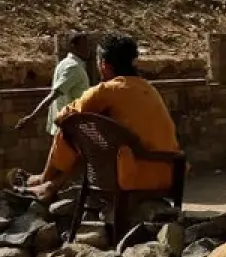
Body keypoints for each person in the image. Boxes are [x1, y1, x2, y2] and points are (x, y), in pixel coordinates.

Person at [25, 33, 179, 200]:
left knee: (71, 129)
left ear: (104, 65)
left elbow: (62, 117)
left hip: (132, 176)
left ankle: (45, 179)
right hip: (170, 172)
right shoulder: (149, 89)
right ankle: (52, 185)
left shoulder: (106, 90)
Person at [14, 32, 92, 135]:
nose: (88, 49)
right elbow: (53, 95)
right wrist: (31, 117)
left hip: (68, 126)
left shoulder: (63, 64)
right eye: (84, 45)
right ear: (74, 47)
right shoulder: (74, 67)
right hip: (71, 128)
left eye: (87, 45)